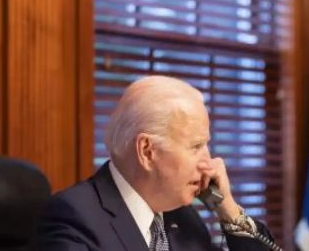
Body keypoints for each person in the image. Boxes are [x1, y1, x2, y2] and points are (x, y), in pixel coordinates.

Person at [34, 75, 275, 251]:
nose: (209, 162)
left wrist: (227, 208)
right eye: (195, 146)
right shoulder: (73, 217)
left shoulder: (184, 219)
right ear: (147, 151)